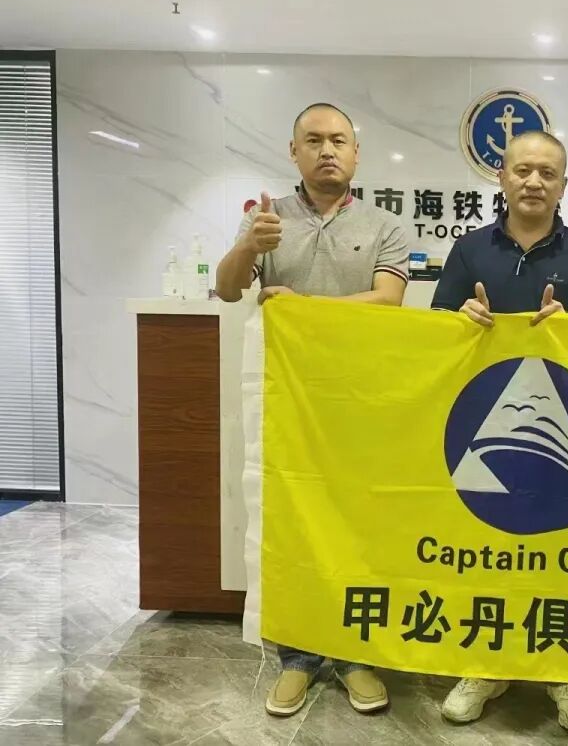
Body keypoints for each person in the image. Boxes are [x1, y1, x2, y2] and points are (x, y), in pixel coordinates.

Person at [216, 103, 409, 718]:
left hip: (360, 400)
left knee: (357, 525)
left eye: (339, 141)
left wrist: (301, 306)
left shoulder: (386, 225)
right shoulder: (266, 218)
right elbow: (227, 288)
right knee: (292, 524)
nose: (328, 150)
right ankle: (297, 656)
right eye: (315, 140)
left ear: (356, 154)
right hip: (287, 402)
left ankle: (354, 653)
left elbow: (388, 300)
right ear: (294, 151)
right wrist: (248, 246)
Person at [431, 130, 568, 732]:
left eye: (547, 173)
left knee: (560, 556)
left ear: (564, 185)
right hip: (482, 431)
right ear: (501, 177)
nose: (534, 182)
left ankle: (565, 670)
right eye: (522, 171)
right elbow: (431, 333)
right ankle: (486, 665)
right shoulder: (469, 250)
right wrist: (458, 319)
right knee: (488, 551)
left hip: (566, 436)